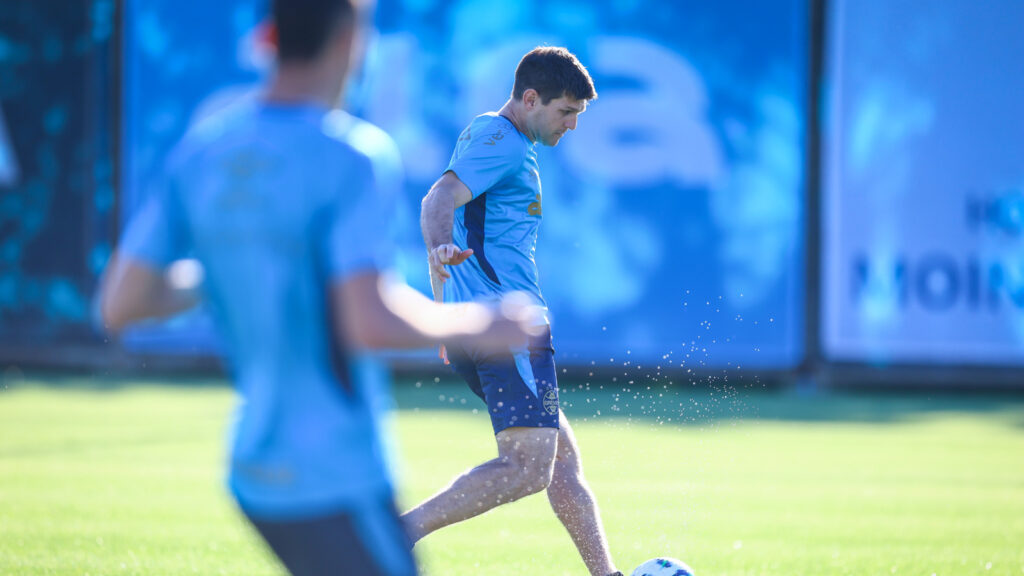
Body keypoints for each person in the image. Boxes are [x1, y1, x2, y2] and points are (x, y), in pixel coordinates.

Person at [97, 1, 537, 574]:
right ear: (348, 38)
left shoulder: (204, 148)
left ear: (270, 37)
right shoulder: (350, 154)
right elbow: (368, 322)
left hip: (253, 472)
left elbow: (121, 304)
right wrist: (483, 323)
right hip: (332, 471)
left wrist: (245, 263)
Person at [408, 46, 622, 576]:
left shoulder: (498, 136)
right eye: (565, 111)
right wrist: (439, 249)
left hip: (479, 325)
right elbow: (438, 199)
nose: (572, 125)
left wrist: (444, 280)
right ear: (530, 99)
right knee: (529, 469)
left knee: (561, 463)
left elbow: (453, 210)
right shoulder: (502, 140)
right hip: (505, 329)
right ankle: (395, 532)